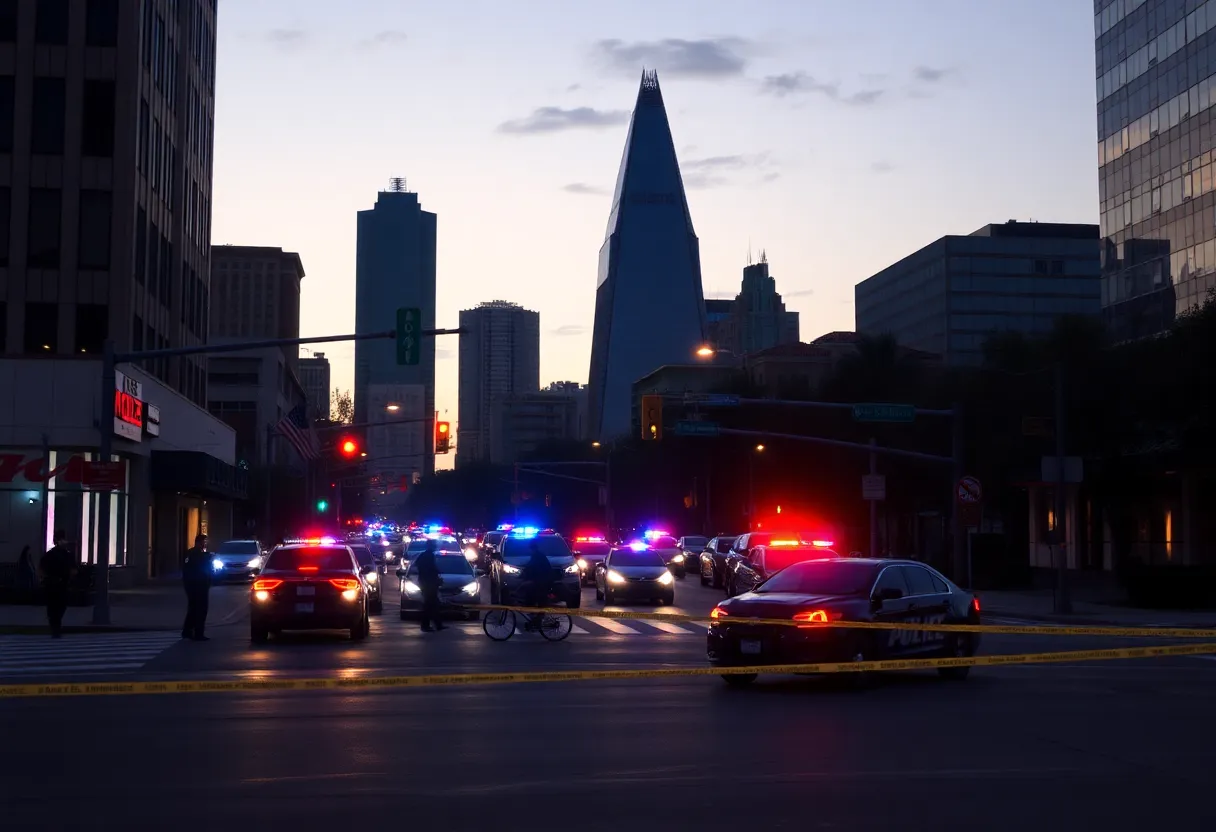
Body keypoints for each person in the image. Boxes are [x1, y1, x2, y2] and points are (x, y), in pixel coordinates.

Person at [38, 531, 76, 638]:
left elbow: (42, 568)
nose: (65, 542)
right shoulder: (61, 555)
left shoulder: (55, 554)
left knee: (55, 607)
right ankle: (56, 627)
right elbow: (73, 569)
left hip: (55, 584)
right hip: (57, 584)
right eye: (63, 539)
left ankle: (55, 626)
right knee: (58, 606)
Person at [181, 533, 211, 641]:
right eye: (204, 542)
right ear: (199, 542)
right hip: (198, 586)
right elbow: (198, 570)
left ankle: (187, 631)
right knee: (200, 610)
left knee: (193, 609)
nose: (205, 544)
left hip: (196, 585)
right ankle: (198, 633)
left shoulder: (194, 554)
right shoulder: (195, 555)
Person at [412, 539, 445, 632]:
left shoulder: (425, 555)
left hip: (427, 583)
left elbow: (419, 566)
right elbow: (431, 570)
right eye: (434, 545)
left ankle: (438, 624)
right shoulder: (428, 556)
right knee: (429, 605)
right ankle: (426, 625)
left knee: (433, 604)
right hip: (428, 584)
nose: (435, 546)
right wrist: (435, 577)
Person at [521, 540, 553, 611]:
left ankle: (536, 617)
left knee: (531, 597)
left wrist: (525, 575)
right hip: (541, 581)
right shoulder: (538, 556)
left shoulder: (537, 556)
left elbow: (532, 568)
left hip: (540, 582)